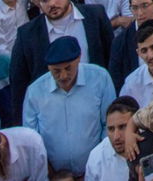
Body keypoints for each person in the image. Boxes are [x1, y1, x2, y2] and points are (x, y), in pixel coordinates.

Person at [9, 0, 114, 115]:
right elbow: (19, 83)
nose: (51, 3)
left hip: (96, 101)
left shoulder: (95, 16)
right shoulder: (27, 34)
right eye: (45, 0)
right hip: (52, 109)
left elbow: (111, 57)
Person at [21, 36, 117, 176]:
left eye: (68, 68)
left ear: (79, 59)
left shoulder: (100, 78)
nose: (63, 76)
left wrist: (97, 166)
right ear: (48, 68)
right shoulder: (35, 92)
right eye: (56, 71)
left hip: (97, 171)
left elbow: (109, 126)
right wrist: (52, 174)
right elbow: (32, 141)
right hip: (53, 175)